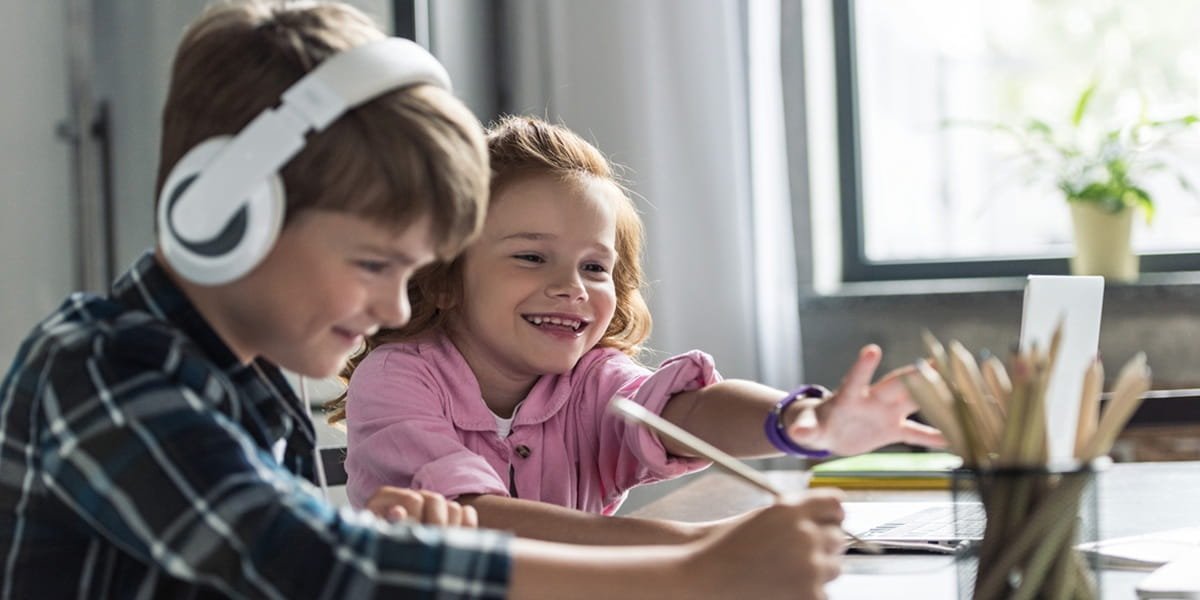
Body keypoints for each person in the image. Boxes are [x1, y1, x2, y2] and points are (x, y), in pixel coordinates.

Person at [0, 2, 849, 598]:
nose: (398, 307)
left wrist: (413, 538)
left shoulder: (254, 381)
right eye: (374, 261)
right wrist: (689, 574)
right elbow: (312, 566)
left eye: (412, 271)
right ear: (226, 218)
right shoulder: (101, 366)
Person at [328, 116, 945, 545]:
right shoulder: (397, 378)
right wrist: (689, 544)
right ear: (444, 278)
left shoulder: (592, 378)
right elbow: (480, 525)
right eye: (531, 257)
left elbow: (686, 410)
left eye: (595, 267)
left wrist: (798, 423)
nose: (573, 287)